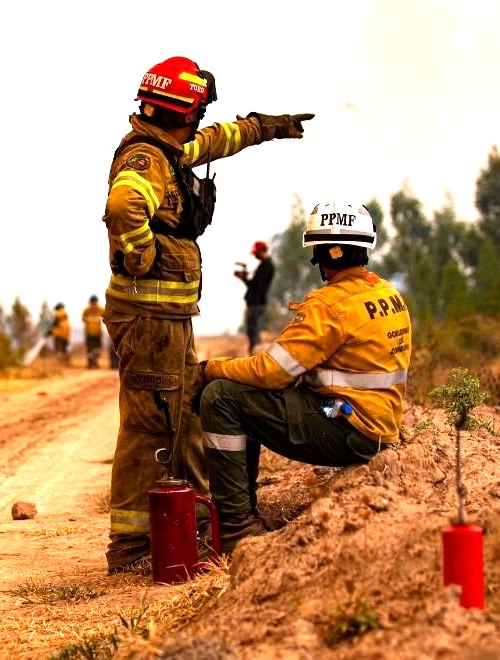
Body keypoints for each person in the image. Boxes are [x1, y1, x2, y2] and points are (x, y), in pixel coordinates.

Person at [101, 54, 314, 574]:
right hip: (149, 316)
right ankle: (131, 548)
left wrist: (264, 128)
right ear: (182, 109)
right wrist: (141, 254)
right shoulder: (147, 160)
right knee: (151, 427)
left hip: (167, 318)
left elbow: (217, 139)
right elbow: (124, 205)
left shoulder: (171, 148)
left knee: (182, 417)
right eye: (197, 109)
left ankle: (189, 523)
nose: (200, 119)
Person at [195, 201, 411, 553]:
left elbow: (271, 371)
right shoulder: (388, 294)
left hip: (343, 421)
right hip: (374, 423)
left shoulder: (329, 305)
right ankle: (240, 514)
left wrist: (209, 369)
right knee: (246, 395)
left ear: (322, 255)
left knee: (221, 396)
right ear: (365, 248)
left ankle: (235, 528)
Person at [234, 240, 276, 355]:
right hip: (255, 303)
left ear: (261, 251)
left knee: (254, 331)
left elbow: (257, 286)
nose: (255, 256)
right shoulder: (264, 265)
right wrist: (245, 278)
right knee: (251, 331)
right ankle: (254, 355)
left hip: (256, 304)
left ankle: (256, 356)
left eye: (256, 253)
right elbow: (255, 284)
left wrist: (244, 278)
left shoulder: (267, 266)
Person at [82, 295, 104, 369]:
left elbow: (83, 319)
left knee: (89, 349)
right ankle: (95, 362)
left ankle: (91, 364)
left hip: (89, 333)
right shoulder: (101, 309)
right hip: (98, 333)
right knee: (97, 349)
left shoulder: (86, 310)